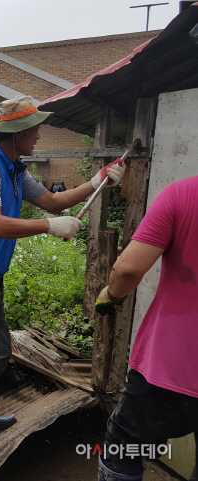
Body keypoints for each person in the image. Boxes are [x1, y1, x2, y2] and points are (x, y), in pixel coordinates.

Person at [0, 95, 126, 450]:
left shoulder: (14, 169)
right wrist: (48, 227)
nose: (38, 136)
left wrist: (101, 180)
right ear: (16, 133)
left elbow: (54, 202)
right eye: (34, 130)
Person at [94, 176, 198, 481]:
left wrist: (110, 294)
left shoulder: (183, 193)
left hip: (173, 366)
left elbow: (127, 269)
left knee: (122, 452)